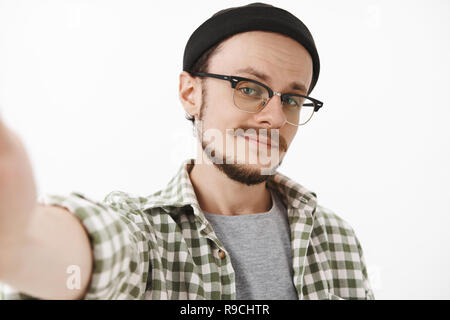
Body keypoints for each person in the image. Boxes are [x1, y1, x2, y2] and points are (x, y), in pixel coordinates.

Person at [0, 3, 374, 300]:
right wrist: (19, 244)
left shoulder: (334, 237)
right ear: (190, 94)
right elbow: (94, 255)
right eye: (248, 88)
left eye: (292, 98)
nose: (275, 118)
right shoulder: (144, 234)